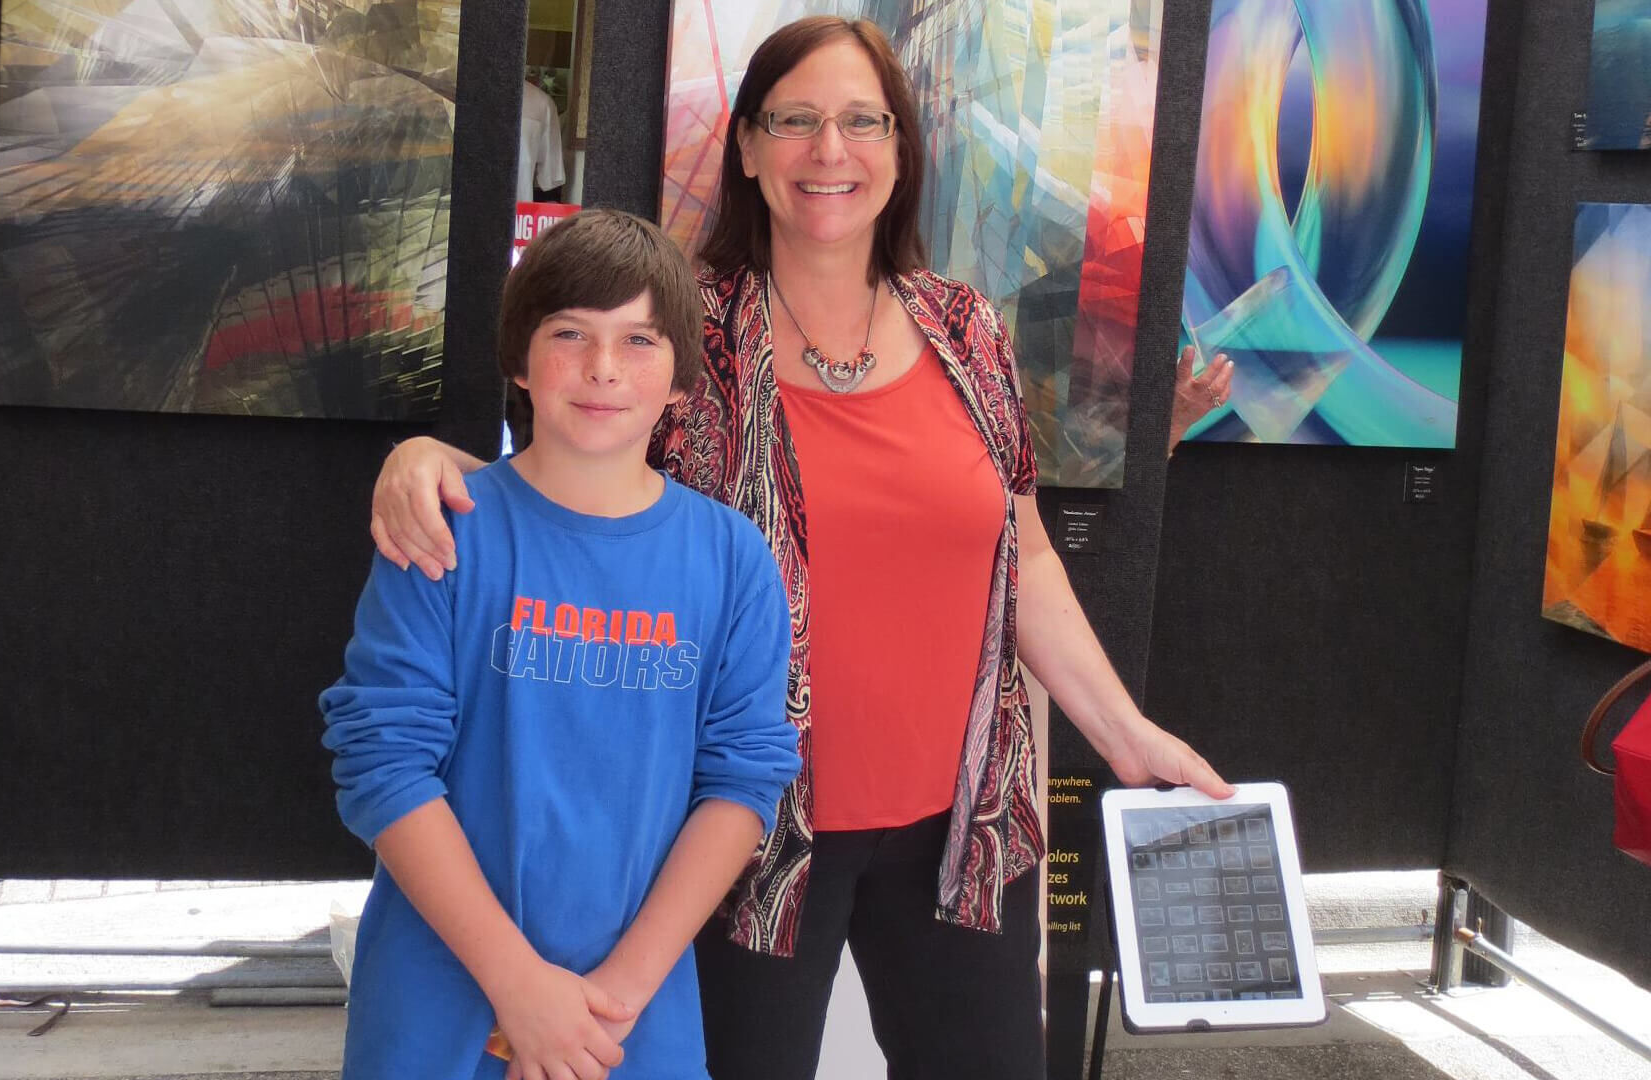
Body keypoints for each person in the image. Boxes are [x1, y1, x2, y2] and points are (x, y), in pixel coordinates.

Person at [369, 17, 1234, 1079]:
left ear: (901, 147)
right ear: (746, 145)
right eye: (796, 121)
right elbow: (569, 478)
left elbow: (1024, 557)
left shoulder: (967, 331)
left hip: (964, 827)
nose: (831, 150)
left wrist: (1125, 733)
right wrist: (426, 458)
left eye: (863, 121)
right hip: (742, 834)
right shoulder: (688, 332)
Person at [320, 209, 801, 1080]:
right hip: (436, 1017)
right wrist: (520, 988)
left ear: (681, 376)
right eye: (569, 333)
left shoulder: (733, 560)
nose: (603, 367)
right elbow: (383, 765)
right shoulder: (442, 531)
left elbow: (743, 781)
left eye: (639, 340)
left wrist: (611, 999)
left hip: (630, 1022)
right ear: (519, 358)